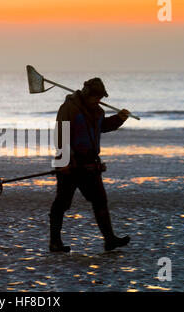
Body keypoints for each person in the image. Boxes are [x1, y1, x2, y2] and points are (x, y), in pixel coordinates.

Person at [50, 77, 131, 252]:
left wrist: (119, 118)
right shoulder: (69, 109)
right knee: (62, 203)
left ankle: (110, 240)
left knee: (100, 200)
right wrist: (65, 161)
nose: (98, 100)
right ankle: (55, 242)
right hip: (70, 165)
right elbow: (60, 135)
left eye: (100, 97)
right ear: (87, 94)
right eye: (96, 97)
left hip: (90, 164)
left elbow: (103, 126)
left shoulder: (98, 111)